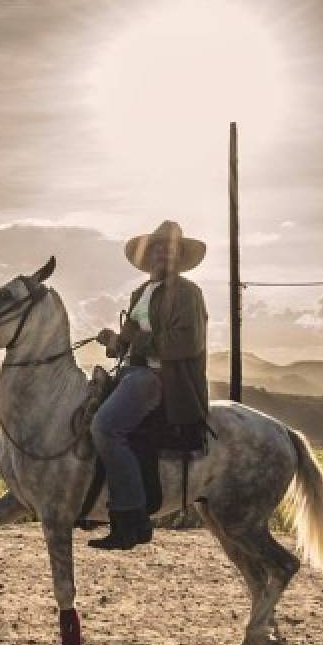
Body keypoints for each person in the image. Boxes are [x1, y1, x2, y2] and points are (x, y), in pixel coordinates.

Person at [86, 220, 210, 550]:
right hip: (131, 372)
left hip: (160, 378)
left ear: (178, 255)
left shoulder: (188, 293)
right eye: (156, 247)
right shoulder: (141, 293)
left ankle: (131, 519)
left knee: (106, 427)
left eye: (168, 248)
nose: (160, 253)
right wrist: (114, 341)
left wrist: (137, 342)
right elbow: (126, 344)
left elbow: (187, 343)